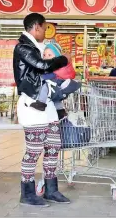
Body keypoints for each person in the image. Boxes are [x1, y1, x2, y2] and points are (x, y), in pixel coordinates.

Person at [13, 13, 71, 206]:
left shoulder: (36, 46)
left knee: (53, 148)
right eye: (45, 28)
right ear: (36, 27)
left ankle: (51, 190)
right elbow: (42, 66)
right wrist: (63, 60)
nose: (46, 32)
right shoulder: (23, 47)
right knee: (34, 150)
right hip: (32, 106)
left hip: (48, 108)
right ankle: (27, 193)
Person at [30, 43, 81, 118]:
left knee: (44, 87)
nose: (46, 57)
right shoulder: (61, 66)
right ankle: (60, 111)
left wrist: (40, 76)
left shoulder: (55, 66)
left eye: (49, 55)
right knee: (56, 100)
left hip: (54, 86)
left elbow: (50, 75)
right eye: (44, 55)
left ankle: (41, 103)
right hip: (58, 89)